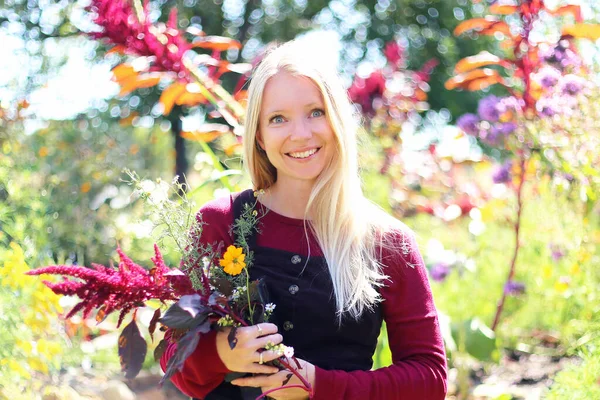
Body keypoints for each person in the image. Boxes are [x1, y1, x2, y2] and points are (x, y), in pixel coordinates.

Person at [160, 39, 447, 400]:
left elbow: (430, 379)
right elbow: (172, 354)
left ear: (337, 119)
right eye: (278, 119)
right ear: (260, 136)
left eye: (316, 112)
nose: (301, 133)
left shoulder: (386, 241)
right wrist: (222, 351)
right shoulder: (219, 223)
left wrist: (320, 386)